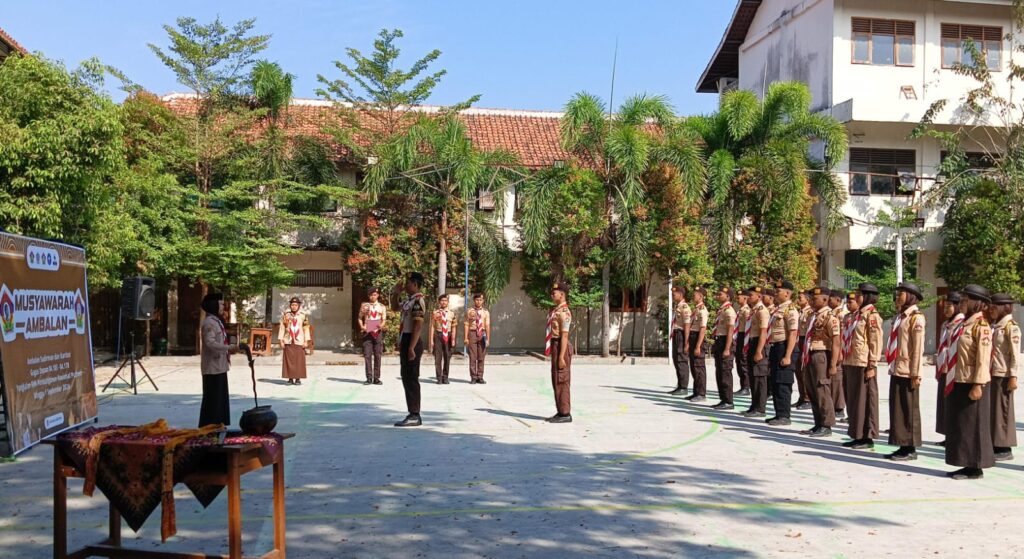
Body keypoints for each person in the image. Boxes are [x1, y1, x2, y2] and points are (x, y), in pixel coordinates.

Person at [945, 284, 994, 478]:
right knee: (962, 425)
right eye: (962, 299)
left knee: (974, 425)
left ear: (977, 303)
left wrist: (978, 385)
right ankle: (965, 463)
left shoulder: (981, 327)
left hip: (972, 381)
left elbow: (983, 358)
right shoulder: (963, 324)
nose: (962, 303)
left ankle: (976, 467)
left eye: (966, 300)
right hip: (959, 379)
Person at [885, 282, 926, 461]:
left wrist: (916, 373)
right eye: (898, 293)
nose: (898, 296)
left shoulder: (916, 318)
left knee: (909, 409)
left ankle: (910, 448)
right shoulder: (901, 316)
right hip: (897, 368)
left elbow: (917, 348)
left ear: (911, 296)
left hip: (908, 370)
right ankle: (902, 445)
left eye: (901, 293)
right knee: (898, 409)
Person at [841, 283, 883, 450]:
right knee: (853, 400)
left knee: (865, 401)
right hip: (850, 360)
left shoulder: (871, 315)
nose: (856, 297)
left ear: (866, 296)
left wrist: (872, 364)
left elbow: (875, 341)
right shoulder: (856, 315)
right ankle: (856, 434)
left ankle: (867, 437)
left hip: (863, 363)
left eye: (859, 294)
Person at [801, 286, 840, 437]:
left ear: (825, 299)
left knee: (822, 389)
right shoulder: (812, 315)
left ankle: (827, 425)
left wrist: (833, 364)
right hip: (810, 354)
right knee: (811, 389)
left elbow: (836, 342)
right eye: (810, 297)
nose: (811, 300)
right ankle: (818, 423)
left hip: (821, 355)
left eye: (814, 298)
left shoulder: (830, 317)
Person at [988, 293, 1018, 462]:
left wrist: (1013, 376)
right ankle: (995, 443)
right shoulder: (995, 326)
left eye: (994, 307)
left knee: (1003, 412)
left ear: (1003, 307)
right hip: (992, 373)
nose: (991, 310)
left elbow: (1015, 355)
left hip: (1004, 374)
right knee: (994, 411)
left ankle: (1004, 447)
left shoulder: (1010, 327)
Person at [199, 293, 236, 427]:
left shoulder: (216, 321)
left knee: (220, 400)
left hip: (220, 366)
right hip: (212, 368)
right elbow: (210, 343)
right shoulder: (209, 323)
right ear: (213, 305)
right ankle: (209, 427)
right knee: (213, 401)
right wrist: (228, 348)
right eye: (220, 304)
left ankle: (219, 425)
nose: (222, 306)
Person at [766, 280, 800, 426]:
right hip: (776, 347)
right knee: (775, 381)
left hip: (785, 347)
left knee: (783, 382)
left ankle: (784, 415)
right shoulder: (778, 309)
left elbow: (793, 333)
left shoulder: (790, 310)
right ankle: (778, 413)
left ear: (787, 293)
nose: (775, 292)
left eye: (778, 290)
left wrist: (787, 355)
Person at [395, 272, 426, 427]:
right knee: (406, 376)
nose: (405, 285)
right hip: (406, 339)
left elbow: (418, 325)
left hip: (412, 340)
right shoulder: (409, 300)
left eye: (407, 283)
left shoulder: (418, 301)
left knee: (412, 378)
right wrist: (396, 293)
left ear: (414, 284)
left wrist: (411, 347)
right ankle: (412, 412)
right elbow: (395, 308)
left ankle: (415, 414)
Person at [935, 292, 965, 446]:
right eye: (945, 306)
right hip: (944, 368)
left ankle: (955, 436)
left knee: (954, 404)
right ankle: (948, 435)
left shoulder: (962, 324)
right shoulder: (945, 324)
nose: (945, 309)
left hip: (954, 370)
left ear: (958, 306)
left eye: (949, 306)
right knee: (944, 404)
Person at [741, 287, 771, 418]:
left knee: (759, 377)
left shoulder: (762, 311)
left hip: (759, 344)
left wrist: (759, 351)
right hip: (752, 342)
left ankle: (760, 408)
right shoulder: (754, 311)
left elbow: (764, 331)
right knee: (753, 376)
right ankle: (754, 405)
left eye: (751, 295)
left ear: (759, 297)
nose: (749, 297)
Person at [546, 281, 574, 423]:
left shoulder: (564, 313)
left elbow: (564, 336)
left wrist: (562, 356)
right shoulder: (556, 310)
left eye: (554, 292)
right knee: (556, 379)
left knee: (562, 379)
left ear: (562, 294)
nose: (552, 294)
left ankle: (565, 414)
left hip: (561, 346)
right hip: (556, 345)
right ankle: (560, 411)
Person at [712, 287, 738, 410]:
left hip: (725, 342)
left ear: (727, 297)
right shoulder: (722, 310)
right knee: (719, 372)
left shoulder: (729, 311)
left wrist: (727, 348)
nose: (718, 295)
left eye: (720, 294)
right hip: (719, 341)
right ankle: (723, 399)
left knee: (725, 372)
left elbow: (730, 331)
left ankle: (728, 401)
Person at [278, 297, 311, 385]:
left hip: (299, 340)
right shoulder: (286, 315)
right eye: (292, 305)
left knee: (299, 360)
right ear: (290, 305)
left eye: (296, 305)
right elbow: (282, 328)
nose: (294, 307)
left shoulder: (303, 316)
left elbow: (306, 328)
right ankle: (290, 378)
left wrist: (306, 341)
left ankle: (298, 378)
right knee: (288, 360)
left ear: (299, 306)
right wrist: (281, 340)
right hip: (288, 340)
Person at [358, 287, 387, 385]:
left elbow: (383, 320)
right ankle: (369, 378)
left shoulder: (382, 306)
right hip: (367, 332)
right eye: (371, 295)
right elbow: (359, 318)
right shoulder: (364, 306)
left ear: (377, 295)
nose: (373, 296)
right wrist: (362, 326)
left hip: (377, 332)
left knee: (378, 355)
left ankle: (377, 378)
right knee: (367, 355)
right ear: (368, 295)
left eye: (374, 294)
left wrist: (381, 326)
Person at [686, 287, 710, 403]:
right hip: (693, 337)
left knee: (699, 367)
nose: (693, 296)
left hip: (698, 339)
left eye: (695, 294)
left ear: (701, 296)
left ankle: (701, 393)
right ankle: (696, 391)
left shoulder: (702, 310)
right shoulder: (696, 309)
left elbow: (703, 328)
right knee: (694, 367)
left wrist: (698, 346)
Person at [668, 286, 693, 396]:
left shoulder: (685, 307)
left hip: (682, 335)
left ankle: (684, 387)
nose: (673, 296)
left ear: (681, 294)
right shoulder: (678, 306)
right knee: (676, 360)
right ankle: (680, 385)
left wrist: (686, 342)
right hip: (676, 334)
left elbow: (687, 325)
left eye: (674, 294)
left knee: (682, 360)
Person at [829, 290, 848, 421]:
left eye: (831, 299)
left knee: (837, 379)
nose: (828, 301)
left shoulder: (842, 314)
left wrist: (840, 351)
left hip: (838, 349)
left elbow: (842, 335)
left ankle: (839, 407)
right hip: (831, 348)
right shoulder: (832, 313)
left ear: (838, 300)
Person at [429, 294, 457, 384]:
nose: (443, 302)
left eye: (445, 300)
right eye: (442, 300)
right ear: (439, 302)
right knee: (438, 358)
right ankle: (439, 377)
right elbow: (432, 326)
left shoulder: (452, 313)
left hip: (448, 335)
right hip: (438, 334)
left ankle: (445, 377)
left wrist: (453, 339)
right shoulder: (435, 313)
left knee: (447, 356)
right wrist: (431, 340)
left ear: (448, 302)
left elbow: (454, 327)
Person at [465, 293, 491, 384]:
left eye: (480, 300)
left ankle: (480, 376)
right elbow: (466, 324)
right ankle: (473, 377)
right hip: (472, 333)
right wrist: (466, 337)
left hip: (482, 333)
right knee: (472, 356)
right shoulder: (469, 311)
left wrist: (488, 338)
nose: (478, 301)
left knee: (481, 357)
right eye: (477, 300)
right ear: (474, 300)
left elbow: (487, 325)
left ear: (483, 301)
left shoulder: (486, 312)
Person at [794, 291, 814, 410]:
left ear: (807, 299)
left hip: (805, 341)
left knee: (804, 370)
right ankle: (802, 397)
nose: (798, 300)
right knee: (798, 370)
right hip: (798, 341)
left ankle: (807, 398)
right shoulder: (799, 312)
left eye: (800, 298)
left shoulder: (810, 312)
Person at [734, 290, 752, 397]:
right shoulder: (740, 310)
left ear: (745, 298)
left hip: (745, 336)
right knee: (739, 362)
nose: (737, 299)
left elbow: (748, 327)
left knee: (743, 362)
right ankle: (743, 386)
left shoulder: (747, 311)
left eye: (739, 297)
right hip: (739, 336)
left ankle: (746, 387)